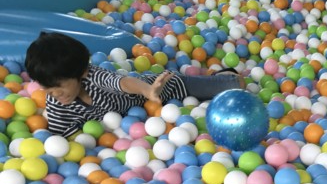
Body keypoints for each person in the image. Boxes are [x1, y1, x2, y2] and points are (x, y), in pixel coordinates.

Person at [24, 31, 244, 138]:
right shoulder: (57, 106)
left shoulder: (93, 76)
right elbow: (64, 138)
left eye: (60, 87)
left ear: (80, 73)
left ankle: (222, 75)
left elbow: (123, 82)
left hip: (169, 90)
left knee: (236, 86)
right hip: (141, 124)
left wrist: (148, 90)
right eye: (48, 89)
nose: (56, 94)